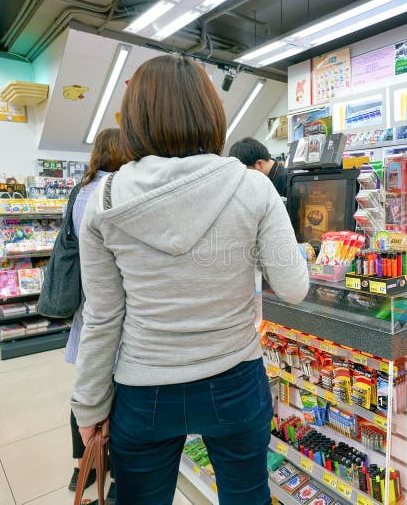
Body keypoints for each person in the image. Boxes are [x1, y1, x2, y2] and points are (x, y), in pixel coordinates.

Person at [71, 55, 309, 505]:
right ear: (211, 113)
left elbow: (102, 316)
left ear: (135, 119)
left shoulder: (103, 198)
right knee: (247, 496)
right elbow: (294, 287)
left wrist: (89, 405)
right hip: (235, 376)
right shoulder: (254, 186)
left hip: (143, 386)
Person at [64, 128, 127, 503]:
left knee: (84, 391)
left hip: (85, 306)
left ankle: (81, 467)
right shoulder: (114, 192)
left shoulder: (80, 190)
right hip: (111, 307)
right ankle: (117, 471)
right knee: (116, 395)